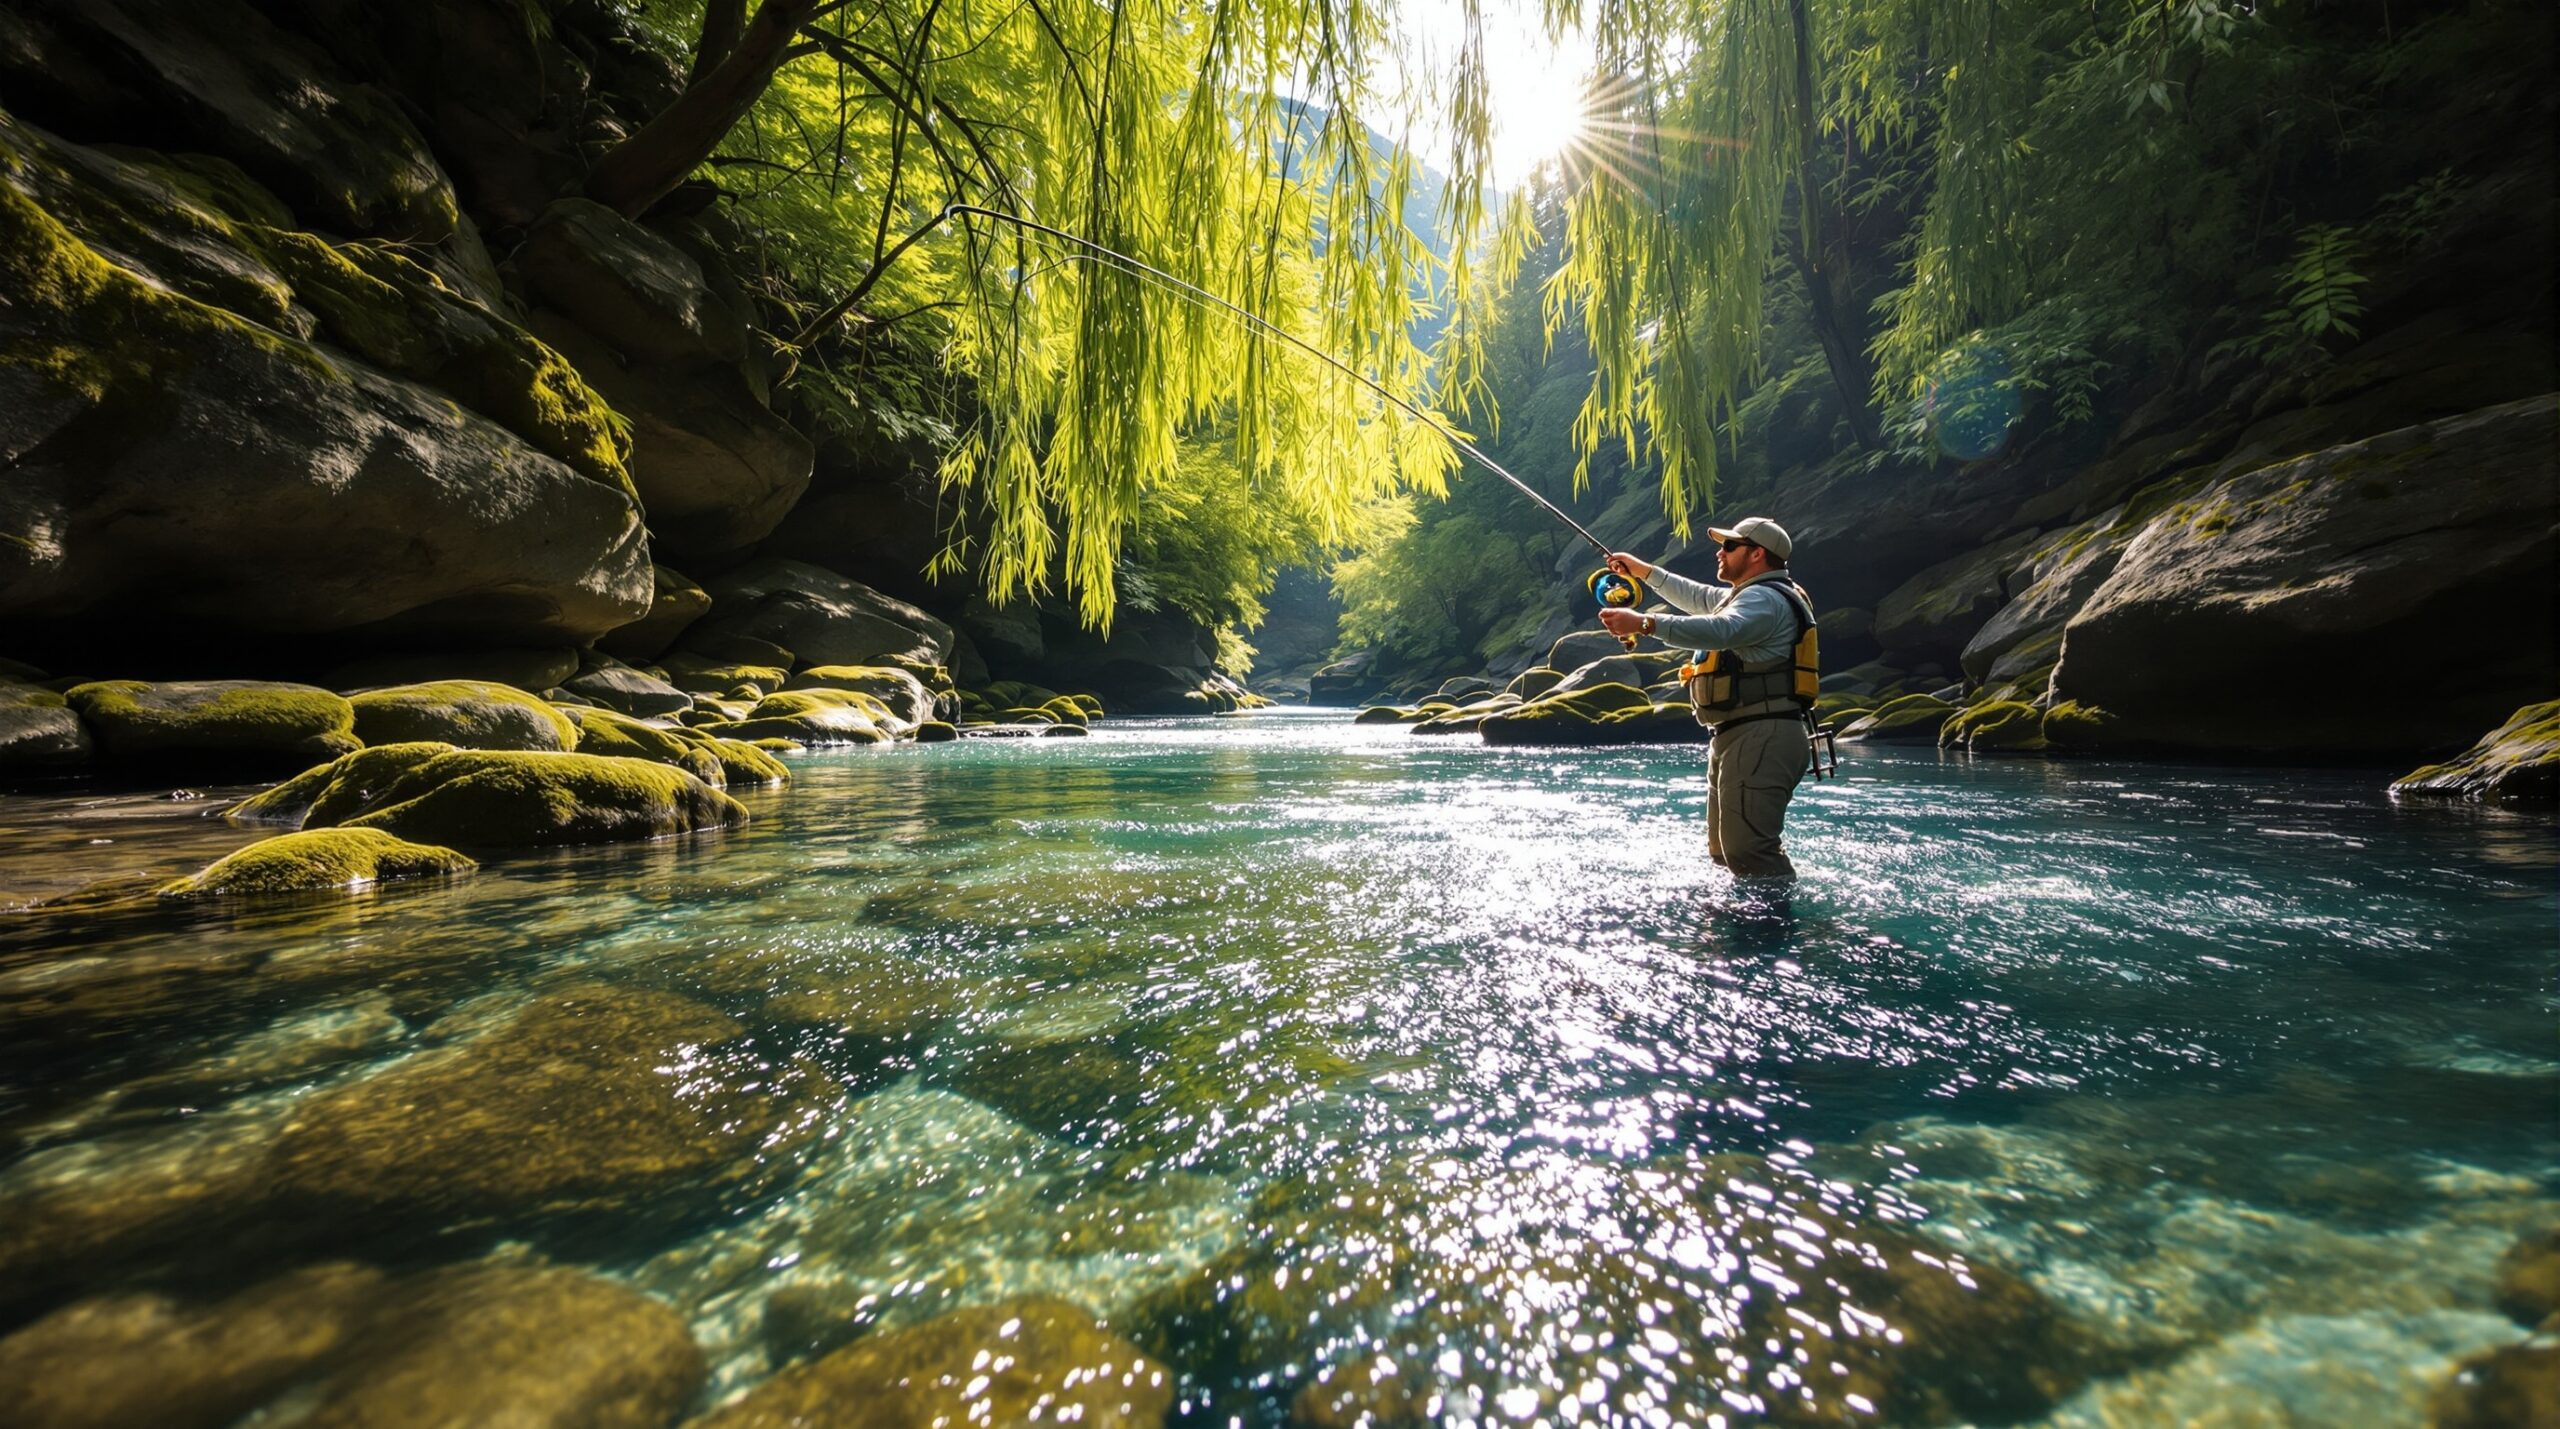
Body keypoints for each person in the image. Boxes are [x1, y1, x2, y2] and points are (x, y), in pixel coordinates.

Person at [1596, 517, 1816, 880]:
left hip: (1763, 733)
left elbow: (1722, 629)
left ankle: (1781, 930)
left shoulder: (1764, 599)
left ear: (1758, 554)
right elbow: (1697, 597)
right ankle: (1746, 928)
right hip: (1742, 733)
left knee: (1749, 852)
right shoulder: (1748, 595)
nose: (1720, 551)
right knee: (1725, 852)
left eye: (1730, 546)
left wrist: (1645, 624)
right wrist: (1644, 571)